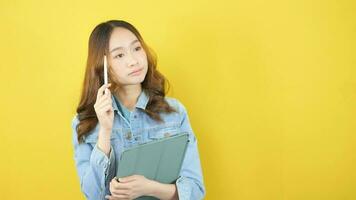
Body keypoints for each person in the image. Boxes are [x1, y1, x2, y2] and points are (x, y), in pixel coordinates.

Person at [71, 20, 205, 200]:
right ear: (102, 65)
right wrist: (105, 131)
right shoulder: (84, 123)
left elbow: (195, 192)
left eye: (137, 48)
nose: (133, 61)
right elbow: (93, 195)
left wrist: (150, 188)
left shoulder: (174, 112)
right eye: (119, 55)